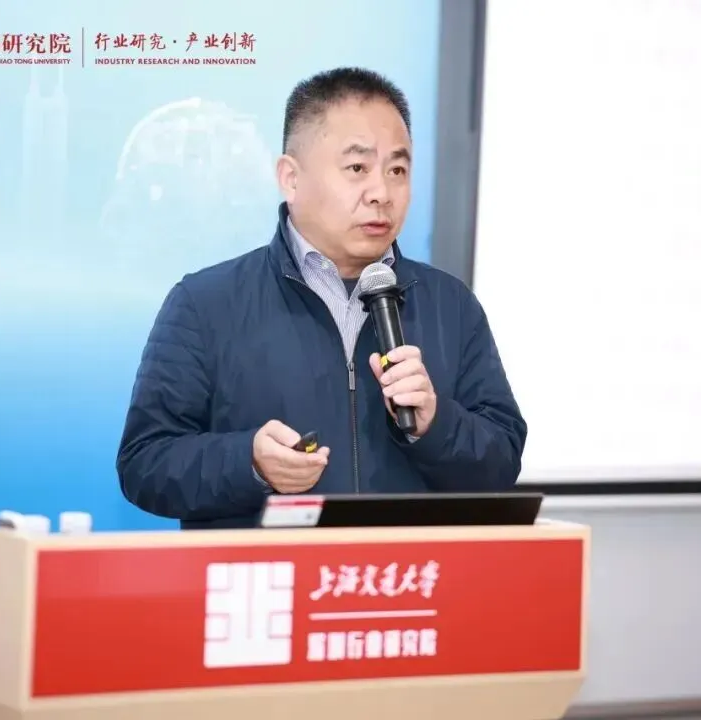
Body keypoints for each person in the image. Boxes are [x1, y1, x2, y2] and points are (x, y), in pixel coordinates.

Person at [116, 67, 527, 529]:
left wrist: (436, 425)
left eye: (397, 170)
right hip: (273, 574)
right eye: (357, 169)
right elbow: (144, 463)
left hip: (403, 572)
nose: (382, 193)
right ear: (291, 178)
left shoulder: (451, 305)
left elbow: (502, 460)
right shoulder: (204, 304)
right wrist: (248, 462)